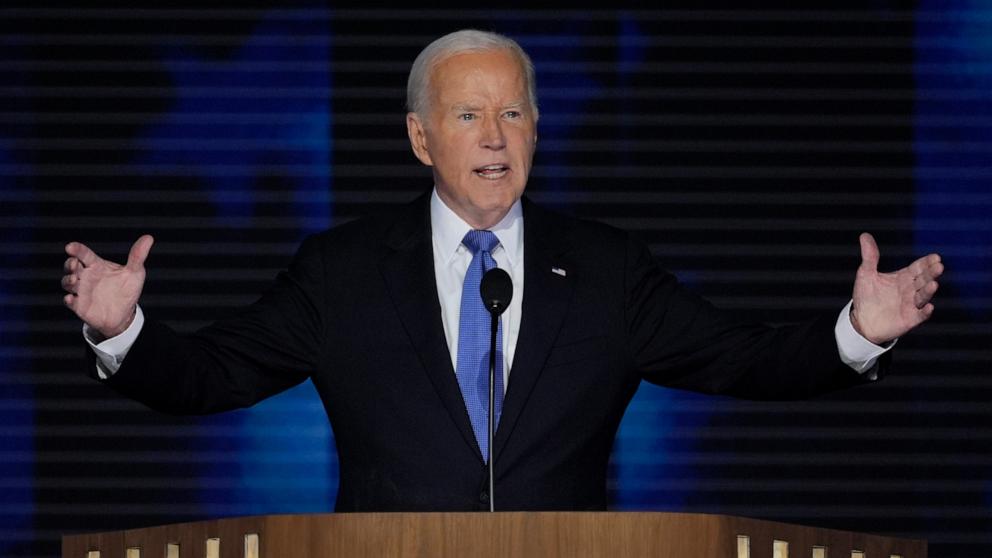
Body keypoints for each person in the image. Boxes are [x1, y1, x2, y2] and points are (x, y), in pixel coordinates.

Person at [61, 30, 943, 511]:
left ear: (535, 131)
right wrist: (123, 333)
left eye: (513, 112)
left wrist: (855, 334)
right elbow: (213, 375)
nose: (493, 136)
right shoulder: (343, 271)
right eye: (469, 114)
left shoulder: (603, 268)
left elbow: (739, 358)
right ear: (420, 139)